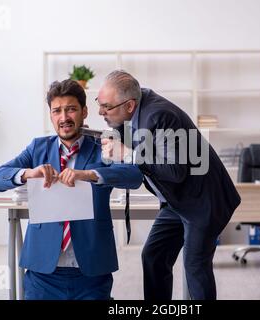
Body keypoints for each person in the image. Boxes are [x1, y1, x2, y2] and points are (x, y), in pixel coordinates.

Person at [0, 79, 142, 300]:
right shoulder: (38, 148)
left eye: (71, 109)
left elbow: (134, 176)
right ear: (51, 115)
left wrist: (90, 175)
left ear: (84, 111)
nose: (64, 118)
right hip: (43, 273)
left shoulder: (104, 146)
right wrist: (27, 173)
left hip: (92, 271)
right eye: (57, 111)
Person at [98, 70, 241, 300]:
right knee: (154, 256)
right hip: (177, 201)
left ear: (130, 105)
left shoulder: (161, 115)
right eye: (99, 103)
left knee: (195, 264)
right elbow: (124, 141)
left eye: (106, 106)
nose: (100, 111)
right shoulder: (130, 113)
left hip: (204, 201)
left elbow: (174, 170)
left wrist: (127, 154)